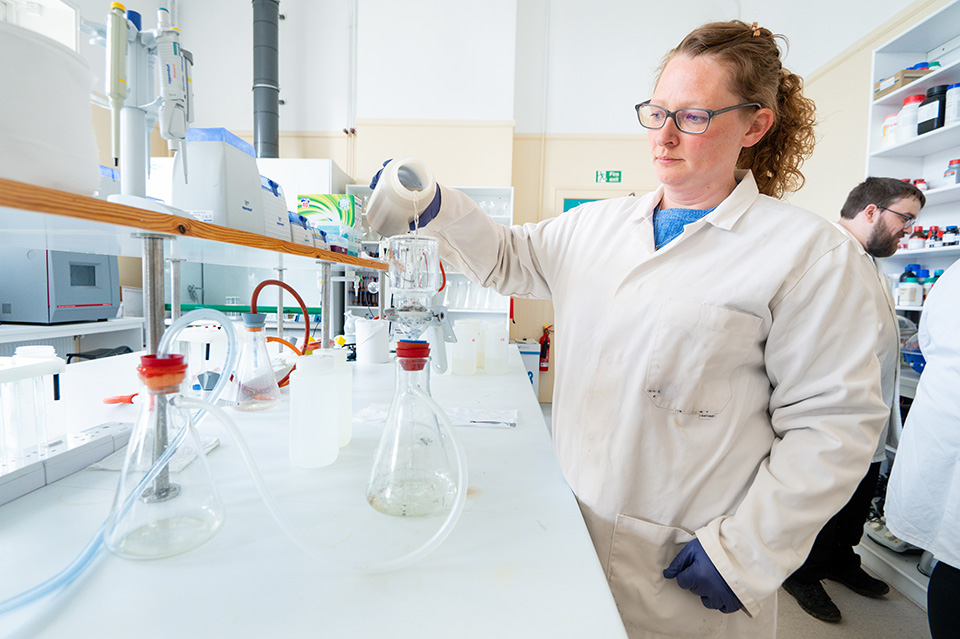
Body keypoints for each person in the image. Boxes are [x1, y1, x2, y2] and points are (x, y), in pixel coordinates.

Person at [368, 20, 888, 639]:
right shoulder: (595, 227)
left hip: (689, 562)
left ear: (755, 125)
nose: (665, 135)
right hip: (568, 532)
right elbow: (507, 258)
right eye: (657, 111)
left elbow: (831, 426)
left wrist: (746, 550)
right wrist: (435, 204)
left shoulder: (810, 256)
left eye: (694, 117)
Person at [781, 177, 925, 622]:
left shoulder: (865, 258)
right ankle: (801, 573)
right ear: (871, 211)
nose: (909, 230)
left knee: (855, 500)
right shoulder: (826, 252)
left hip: (870, 412)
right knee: (823, 500)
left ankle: (841, 560)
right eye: (905, 218)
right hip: (834, 411)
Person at [885, 259, 960, 639]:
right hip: (949, 426)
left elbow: (927, 341)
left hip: (945, 420)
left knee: (953, 558)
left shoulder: (954, 273)